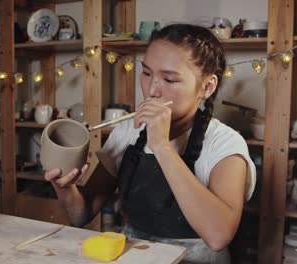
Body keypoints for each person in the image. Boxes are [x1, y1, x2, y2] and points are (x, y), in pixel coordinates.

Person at [44, 24, 256, 263]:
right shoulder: (127, 132)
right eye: (146, 73)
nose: (152, 90)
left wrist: (162, 147)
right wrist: (65, 189)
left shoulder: (225, 143)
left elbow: (219, 236)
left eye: (169, 79)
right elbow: (81, 215)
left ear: (207, 87)